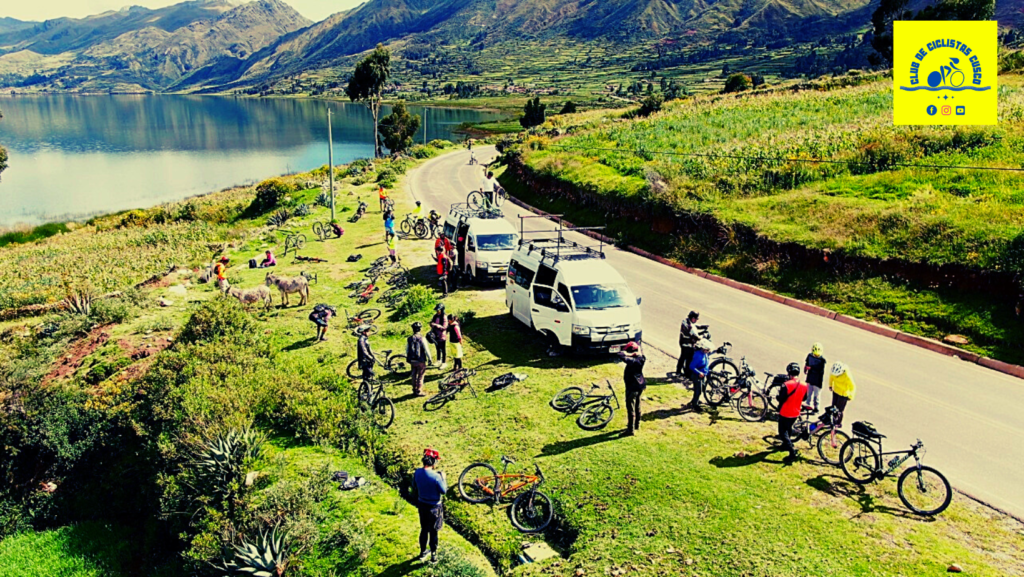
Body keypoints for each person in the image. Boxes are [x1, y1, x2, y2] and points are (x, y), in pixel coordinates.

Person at [413, 448, 447, 565]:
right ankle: (433, 555)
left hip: (422, 505)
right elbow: (444, 491)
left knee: (424, 529)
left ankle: (422, 552)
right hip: (434, 508)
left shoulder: (417, 472)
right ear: (433, 462)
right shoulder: (436, 477)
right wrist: (443, 478)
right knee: (433, 532)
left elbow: (414, 486)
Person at [776, 362, 808, 463]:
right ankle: (785, 445)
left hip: (785, 411)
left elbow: (781, 398)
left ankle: (791, 451)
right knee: (788, 428)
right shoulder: (804, 385)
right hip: (796, 412)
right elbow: (805, 398)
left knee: (782, 432)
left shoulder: (786, 385)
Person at [618, 341, 646, 436]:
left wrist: (628, 353)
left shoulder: (633, 361)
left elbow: (620, 354)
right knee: (637, 405)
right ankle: (637, 424)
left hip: (632, 386)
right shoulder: (641, 358)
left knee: (630, 408)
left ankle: (630, 429)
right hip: (640, 385)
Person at [686, 339, 713, 412]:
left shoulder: (704, 354)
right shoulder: (698, 356)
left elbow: (710, 354)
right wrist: (699, 373)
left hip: (703, 375)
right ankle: (695, 405)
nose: (708, 351)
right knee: (698, 390)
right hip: (697, 376)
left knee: (702, 388)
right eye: (707, 350)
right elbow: (691, 366)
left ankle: (694, 401)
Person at [406, 322, 432, 396]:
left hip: (412, 360)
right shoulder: (422, 338)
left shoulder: (409, 339)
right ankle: (419, 391)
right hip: (420, 360)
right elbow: (426, 349)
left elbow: (407, 350)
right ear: (420, 329)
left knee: (414, 375)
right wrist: (430, 358)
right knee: (421, 375)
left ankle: (414, 389)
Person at [828, 361, 856, 427]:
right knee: (833, 407)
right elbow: (831, 378)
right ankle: (832, 421)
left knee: (839, 410)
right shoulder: (833, 373)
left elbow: (852, 386)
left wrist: (851, 396)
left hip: (843, 394)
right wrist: (830, 385)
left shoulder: (847, 376)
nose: (836, 376)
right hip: (836, 391)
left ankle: (838, 423)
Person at [676, 310, 701, 379]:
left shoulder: (686, 321)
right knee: (689, 358)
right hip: (686, 344)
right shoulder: (688, 325)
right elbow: (694, 335)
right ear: (692, 318)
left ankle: (678, 371)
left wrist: (702, 327)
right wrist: (701, 338)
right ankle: (687, 374)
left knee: (682, 357)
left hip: (684, 342)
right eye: (695, 318)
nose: (696, 320)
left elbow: (695, 326)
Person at [803, 342, 826, 412]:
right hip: (810, 378)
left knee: (816, 396)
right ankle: (807, 405)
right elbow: (807, 363)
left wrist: (811, 368)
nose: (815, 356)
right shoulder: (809, 356)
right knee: (808, 394)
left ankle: (816, 408)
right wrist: (805, 368)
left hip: (817, 381)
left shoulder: (822, 361)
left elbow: (820, 370)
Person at [430, 304, 448, 369]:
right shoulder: (435, 316)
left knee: (443, 349)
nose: (437, 311)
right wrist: (432, 324)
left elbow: (444, 327)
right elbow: (431, 322)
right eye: (437, 310)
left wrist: (436, 325)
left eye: (439, 310)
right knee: (437, 348)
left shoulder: (444, 317)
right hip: (436, 335)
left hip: (442, 336)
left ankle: (444, 362)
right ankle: (438, 360)